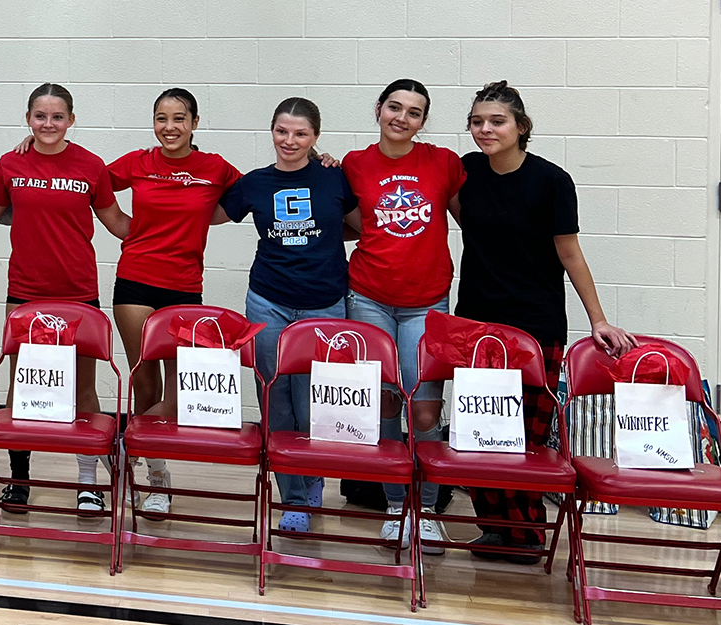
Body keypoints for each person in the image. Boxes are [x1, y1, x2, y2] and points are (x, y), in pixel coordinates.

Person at [453, 80, 635, 564]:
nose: (485, 129)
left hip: (535, 327)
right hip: (474, 324)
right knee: (479, 431)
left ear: (521, 127)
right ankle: (494, 529)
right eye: (476, 121)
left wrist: (598, 319)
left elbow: (570, 252)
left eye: (496, 121)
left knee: (525, 438)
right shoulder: (466, 172)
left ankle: (528, 534)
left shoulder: (552, 181)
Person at [0, 83, 131, 514]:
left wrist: (168, 232)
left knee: (83, 389)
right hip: (24, 292)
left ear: (71, 121)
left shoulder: (90, 165)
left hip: (78, 291)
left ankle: (87, 482)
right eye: (40, 116)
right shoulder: (11, 163)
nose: (48, 124)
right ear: (28, 119)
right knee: (22, 387)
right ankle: (18, 480)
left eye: (57, 117)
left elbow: (116, 221)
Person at [218, 97, 360, 533]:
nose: (290, 141)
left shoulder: (336, 178)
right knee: (276, 401)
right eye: (282, 131)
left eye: (300, 133)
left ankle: (313, 480)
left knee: (311, 402)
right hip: (268, 302)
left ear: (316, 137)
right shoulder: (255, 183)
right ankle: (293, 497)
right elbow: (206, 213)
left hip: (325, 304)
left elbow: (356, 227)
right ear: (272, 132)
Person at [340, 78, 468, 553]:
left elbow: (472, 219)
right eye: (395, 107)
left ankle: (429, 509)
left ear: (423, 121)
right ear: (378, 109)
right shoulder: (353, 165)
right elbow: (354, 222)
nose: (402, 117)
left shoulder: (443, 163)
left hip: (428, 300)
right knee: (383, 403)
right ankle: (396, 507)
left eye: (414, 112)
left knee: (426, 407)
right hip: (369, 296)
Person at [104, 87, 243, 514]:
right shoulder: (139, 162)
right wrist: (128, 229)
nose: (170, 127)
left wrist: (319, 160)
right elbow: (91, 186)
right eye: (161, 118)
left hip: (184, 288)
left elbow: (253, 194)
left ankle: (128, 440)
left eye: (179, 118)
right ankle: (157, 478)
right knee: (146, 382)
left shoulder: (215, 168)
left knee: (184, 386)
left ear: (195, 123)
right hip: (135, 282)